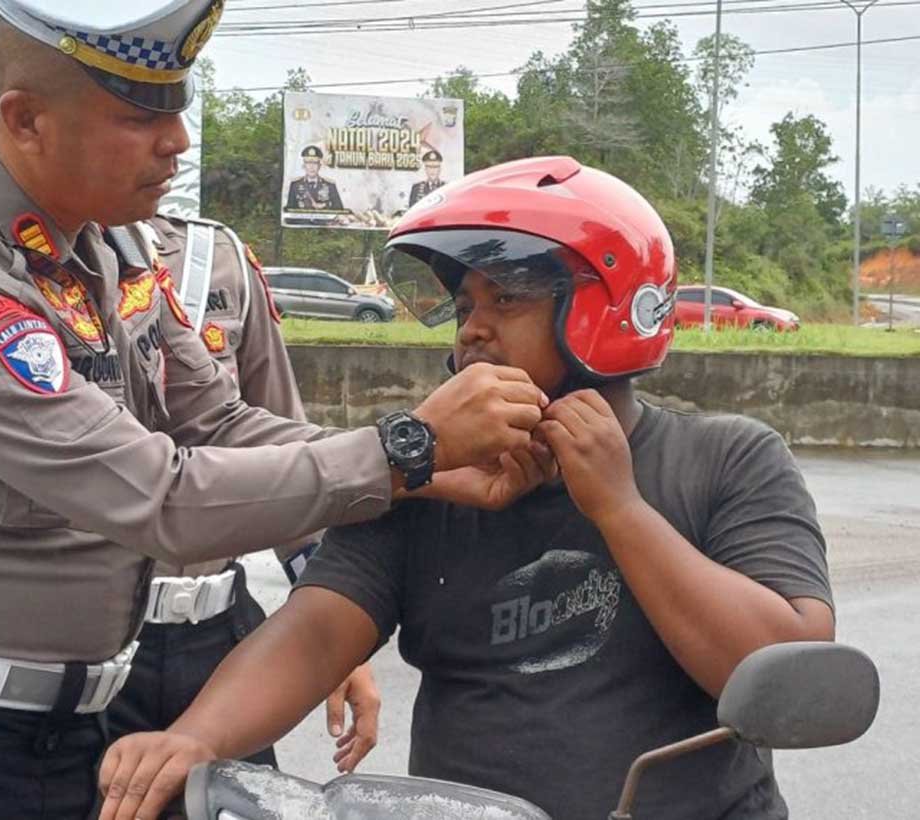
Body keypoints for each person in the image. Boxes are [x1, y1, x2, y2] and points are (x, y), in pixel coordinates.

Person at [0, 2, 549, 818]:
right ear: (26, 120)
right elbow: (161, 499)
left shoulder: (106, 246)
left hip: (78, 725)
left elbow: (220, 425)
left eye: (177, 110)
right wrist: (408, 448)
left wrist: (432, 469)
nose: (178, 143)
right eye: (137, 117)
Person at [94, 156, 836, 820]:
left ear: (604, 311)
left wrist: (620, 507)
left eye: (505, 300)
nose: (471, 331)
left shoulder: (726, 459)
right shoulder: (433, 478)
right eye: (466, 306)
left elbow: (784, 678)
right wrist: (195, 736)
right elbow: (317, 629)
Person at [108, 211, 380, 772]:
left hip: (215, 637)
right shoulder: (30, 266)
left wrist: (341, 623)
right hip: (93, 647)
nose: (168, 143)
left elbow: (279, 444)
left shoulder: (217, 256)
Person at [285, 145, 346, 212]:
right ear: (304, 166)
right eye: (308, 163)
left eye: (315, 163)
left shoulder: (330, 185)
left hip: (323, 222)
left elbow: (339, 210)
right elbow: (289, 211)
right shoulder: (295, 185)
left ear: (319, 166)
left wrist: (325, 205)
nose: (311, 167)